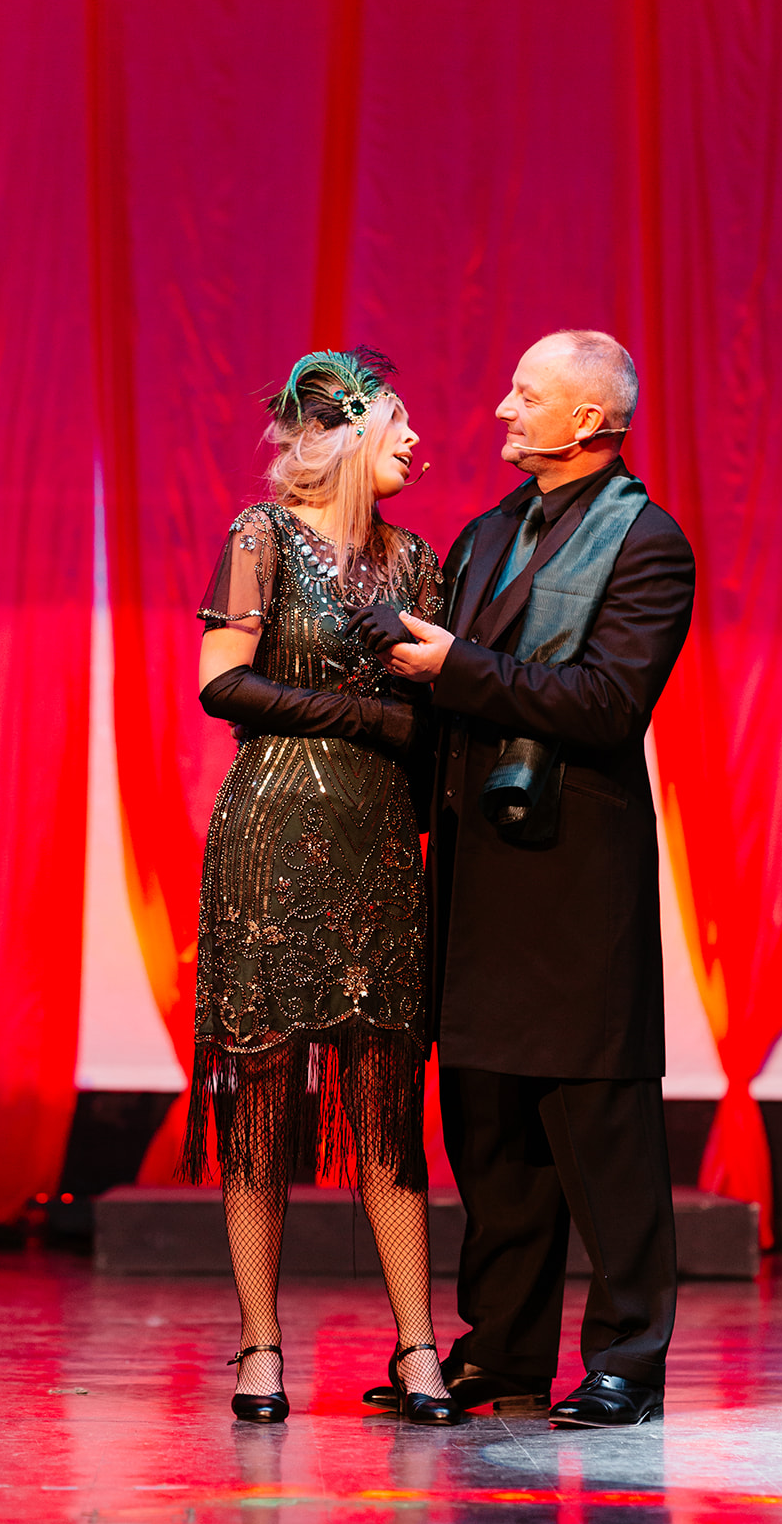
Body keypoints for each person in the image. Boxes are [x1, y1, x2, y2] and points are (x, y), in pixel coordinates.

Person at [354, 330, 695, 1427]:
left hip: (572, 875)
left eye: (524, 394)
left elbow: (606, 703)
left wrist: (455, 666)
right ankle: (500, 1354)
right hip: (478, 872)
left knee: (600, 1133)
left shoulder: (647, 542)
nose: (501, 410)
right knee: (491, 1131)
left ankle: (629, 1358)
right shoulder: (489, 530)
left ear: (588, 420)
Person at [182, 347, 463, 1426]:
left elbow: (436, 714)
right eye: (398, 422)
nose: (415, 442)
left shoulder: (417, 559)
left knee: (387, 1104)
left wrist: (415, 712)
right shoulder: (260, 535)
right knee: (260, 1102)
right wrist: (364, 714)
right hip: (270, 833)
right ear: (344, 434)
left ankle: (418, 1347)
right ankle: (259, 1345)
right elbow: (221, 683)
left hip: (378, 843)